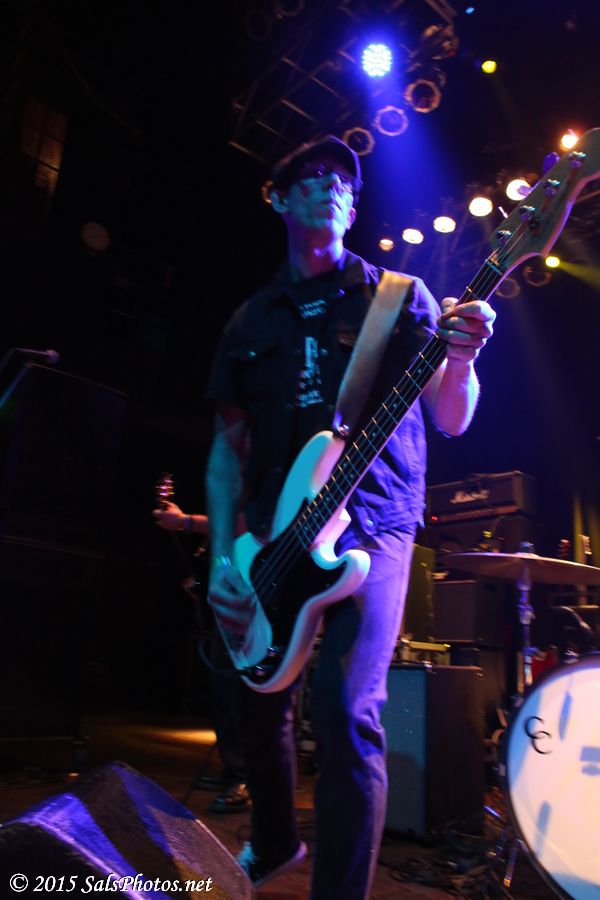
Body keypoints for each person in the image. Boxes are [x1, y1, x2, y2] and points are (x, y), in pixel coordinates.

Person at [205, 134, 495, 898]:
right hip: (273, 531)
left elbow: (452, 417)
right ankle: (275, 842)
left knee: (345, 709)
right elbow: (226, 450)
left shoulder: (397, 297)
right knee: (255, 695)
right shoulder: (249, 322)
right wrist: (224, 559)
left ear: (355, 204)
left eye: (343, 179)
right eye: (311, 176)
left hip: (374, 524)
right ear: (277, 197)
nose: (331, 185)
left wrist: (463, 360)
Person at [152, 500, 250, 813]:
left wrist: (185, 522)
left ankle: (245, 777)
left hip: (252, 595)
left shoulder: (256, 482)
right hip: (229, 594)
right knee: (222, 690)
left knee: (239, 693)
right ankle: (233, 768)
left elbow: (243, 525)